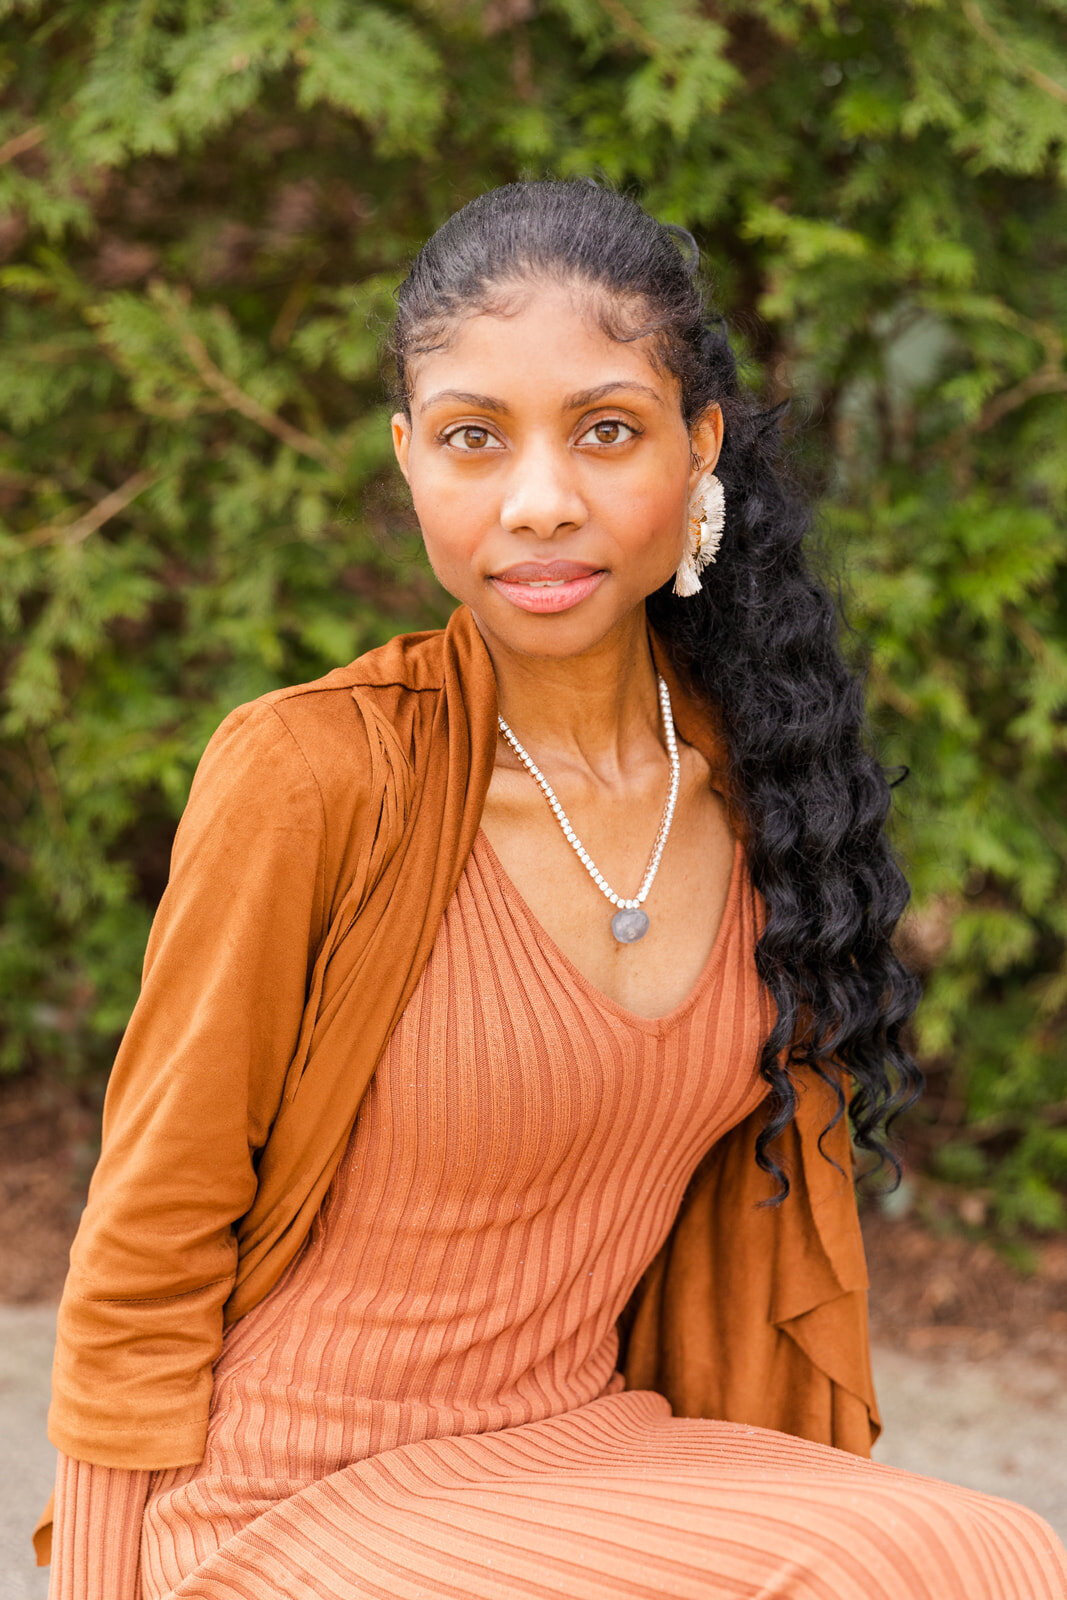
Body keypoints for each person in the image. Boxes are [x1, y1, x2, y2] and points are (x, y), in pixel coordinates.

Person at [40, 180, 1067, 1599]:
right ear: (408, 460)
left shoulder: (763, 789)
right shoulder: (312, 776)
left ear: (698, 446)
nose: (539, 501)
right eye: (473, 437)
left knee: (996, 1555)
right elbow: (148, 1238)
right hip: (289, 1499)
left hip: (588, 1445)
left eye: (606, 431)